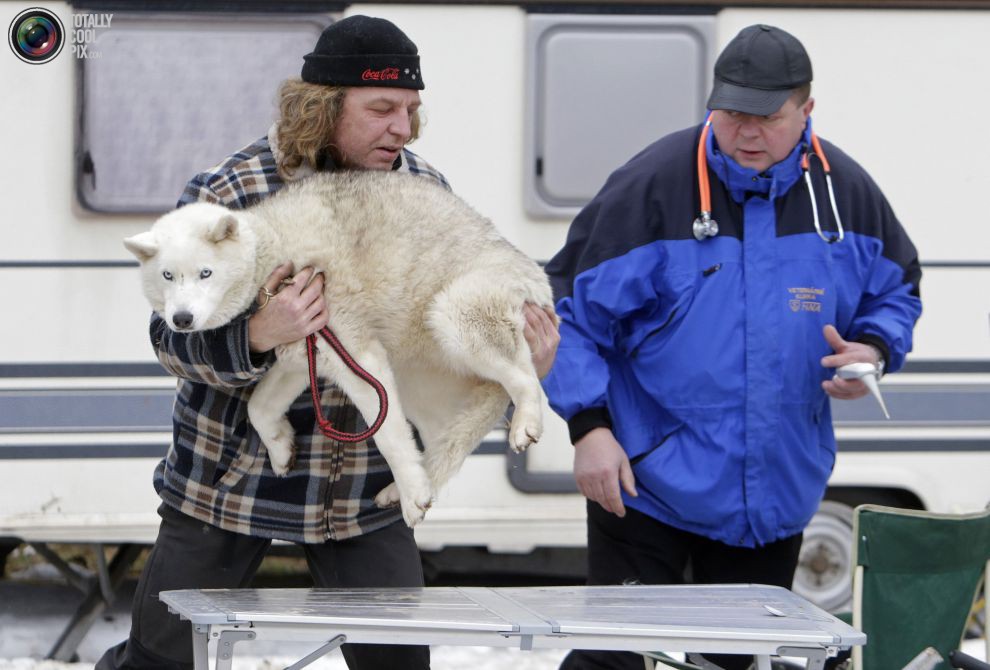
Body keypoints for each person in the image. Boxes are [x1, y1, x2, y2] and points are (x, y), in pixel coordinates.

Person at [98, 15, 558, 670]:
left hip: (361, 496)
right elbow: (169, 343)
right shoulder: (230, 192)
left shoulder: (421, 191)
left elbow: (432, 341)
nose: (403, 127)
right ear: (322, 107)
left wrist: (512, 365)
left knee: (400, 667)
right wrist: (259, 333)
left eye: (410, 109)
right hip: (229, 486)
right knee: (161, 661)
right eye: (382, 109)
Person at [542, 24, 921, 670]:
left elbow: (898, 291)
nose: (746, 133)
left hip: (773, 498)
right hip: (643, 486)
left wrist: (874, 352)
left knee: (734, 664)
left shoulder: (847, 195)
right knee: (612, 662)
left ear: (807, 111)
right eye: (731, 113)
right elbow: (564, 311)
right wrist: (588, 426)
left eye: (767, 117)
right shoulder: (651, 187)